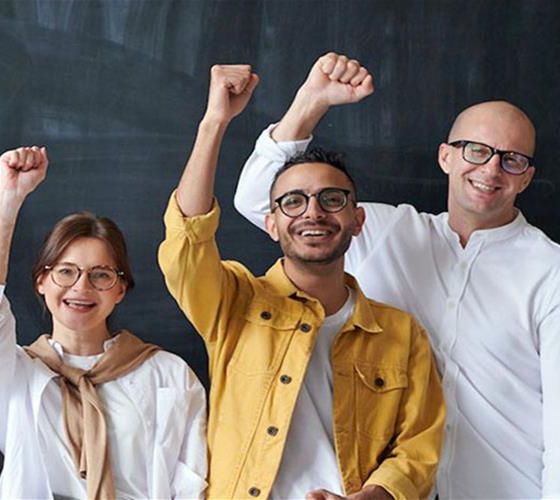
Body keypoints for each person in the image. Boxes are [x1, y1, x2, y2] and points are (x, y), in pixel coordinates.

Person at [233, 52, 560, 498]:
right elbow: (259, 199)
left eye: (512, 160)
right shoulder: (383, 231)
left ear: (526, 178)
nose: (490, 169)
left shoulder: (559, 273)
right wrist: (309, 104)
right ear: (445, 156)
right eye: (476, 150)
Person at [162, 64, 442, 500]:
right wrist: (214, 122)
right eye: (294, 201)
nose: (313, 213)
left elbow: (418, 447)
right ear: (271, 224)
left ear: (357, 220)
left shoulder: (401, 334)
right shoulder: (233, 301)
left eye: (332, 199)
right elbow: (187, 240)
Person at [0, 146, 207, 499]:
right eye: (65, 272)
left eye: (101, 274)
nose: (81, 287)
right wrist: (8, 200)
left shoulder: (168, 375)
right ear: (41, 282)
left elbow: (191, 483)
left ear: (120, 288)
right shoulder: (15, 375)